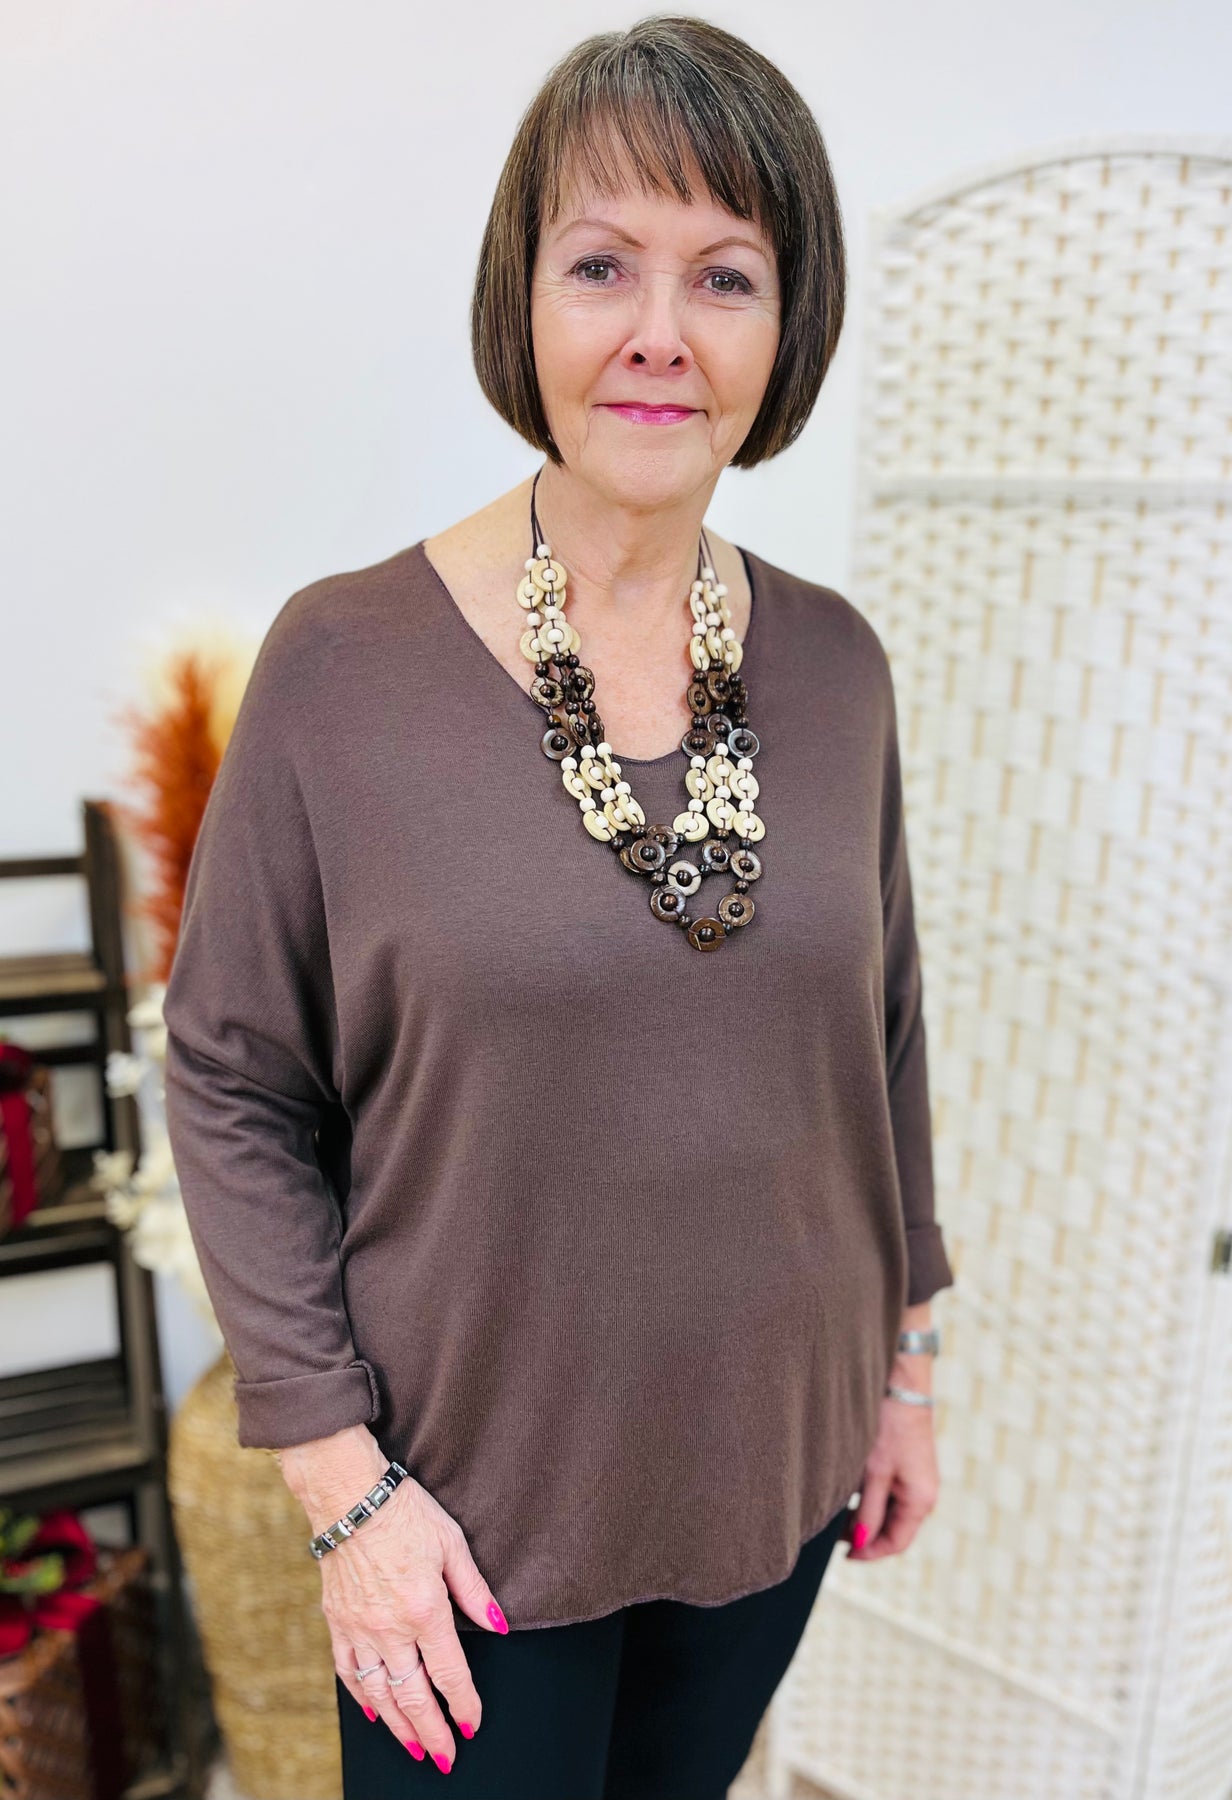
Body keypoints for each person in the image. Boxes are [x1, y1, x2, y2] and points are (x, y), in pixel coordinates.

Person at [162, 14, 955, 1797]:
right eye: (602, 265)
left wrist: (903, 1371)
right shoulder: (341, 663)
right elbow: (226, 1076)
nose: (660, 331)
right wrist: (339, 1488)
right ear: (521, 297)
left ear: (787, 324)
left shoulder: (837, 664)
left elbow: (884, 1034)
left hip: (773, 1474)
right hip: (458, 1523)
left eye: (724, 276)